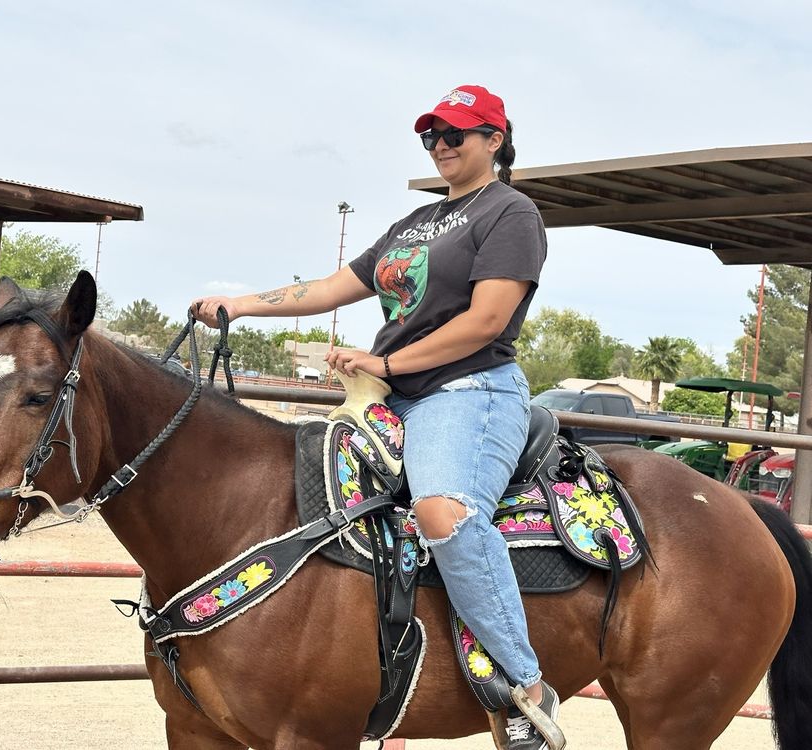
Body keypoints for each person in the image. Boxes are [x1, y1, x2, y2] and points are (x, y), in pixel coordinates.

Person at [193, 85, 562, 750]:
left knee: (442, 512)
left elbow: (486, 321)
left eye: (456, 133)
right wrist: (241, 304)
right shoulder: (414, 225)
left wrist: (387, 365)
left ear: (495, 140)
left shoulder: (512, 213)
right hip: (388, 398)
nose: (442, 145)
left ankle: (525, 691)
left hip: (467, 392)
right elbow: (336, 286)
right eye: (432, 136)